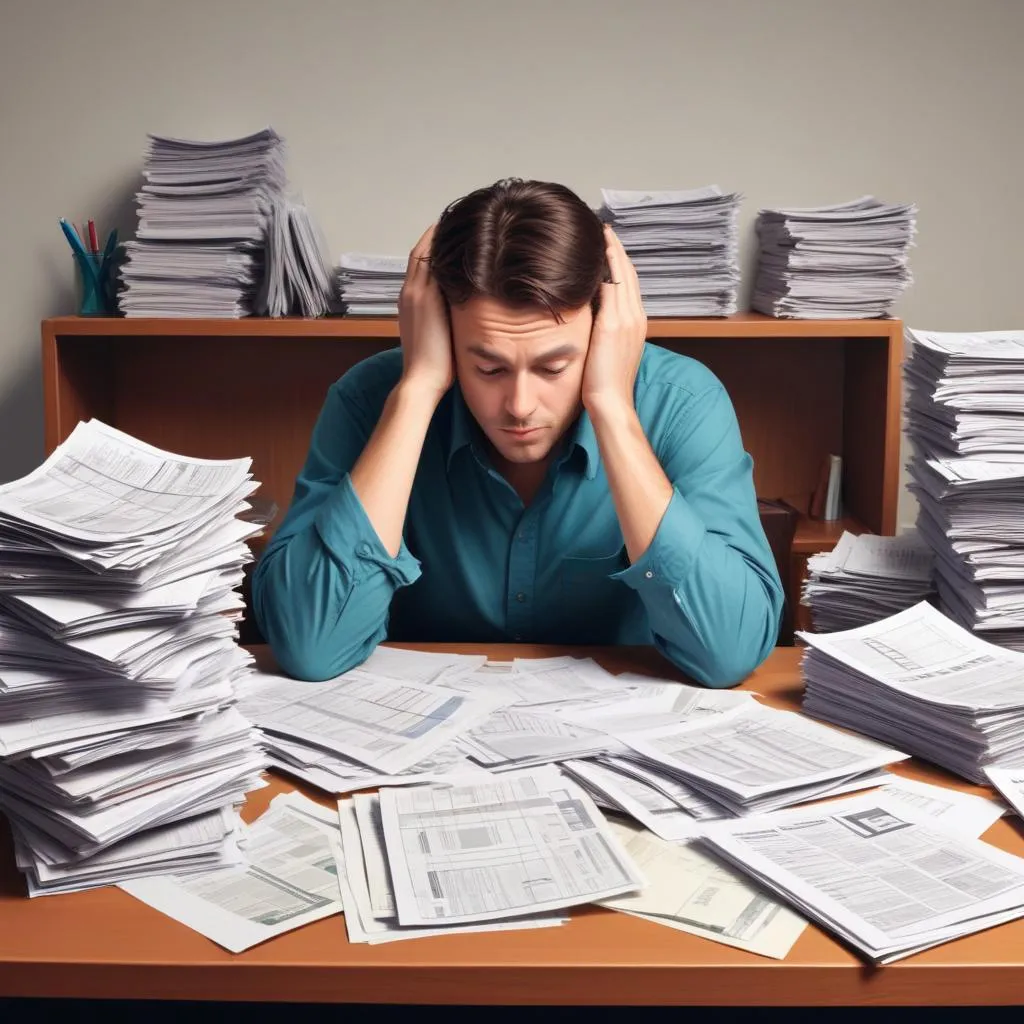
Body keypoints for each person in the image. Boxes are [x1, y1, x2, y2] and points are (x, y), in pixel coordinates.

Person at [251, 179, 783, 687]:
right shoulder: (371, 400)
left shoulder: (682, 401)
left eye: (553, 369)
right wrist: (416, 392)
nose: (520, 407)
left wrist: (612, 408)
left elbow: (728, 653)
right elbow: (311, 646)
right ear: (439, 330)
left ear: (606, 328)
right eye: (488, 369)